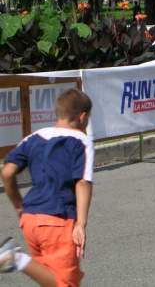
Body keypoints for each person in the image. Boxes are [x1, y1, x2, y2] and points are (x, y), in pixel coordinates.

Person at [0, 88, 94, 287]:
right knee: (64, 284)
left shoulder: (33, 137)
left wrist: (19, 205)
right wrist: (81, 224)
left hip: (30, 219)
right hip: (57, 219)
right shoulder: (81, 140)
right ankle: (15, 258)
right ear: (82, 116)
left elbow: (7, 172)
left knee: (49, 277)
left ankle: (17, 259)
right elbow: (83, 182)